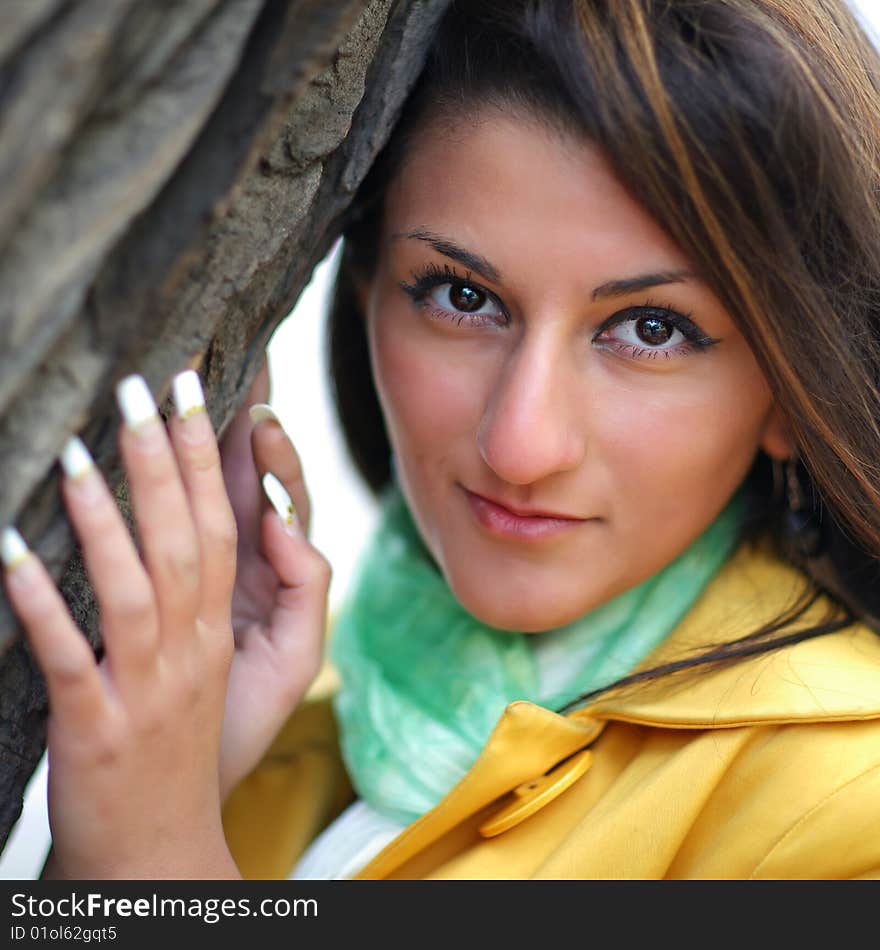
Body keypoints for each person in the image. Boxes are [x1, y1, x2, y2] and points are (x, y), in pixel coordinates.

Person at [3, 0, 880, 880]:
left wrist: (160, 867)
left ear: (789, 388)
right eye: (463, 297)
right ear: (364, 289)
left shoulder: (848, 809)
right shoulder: (298, 709)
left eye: (651, 329)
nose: (520, 445)